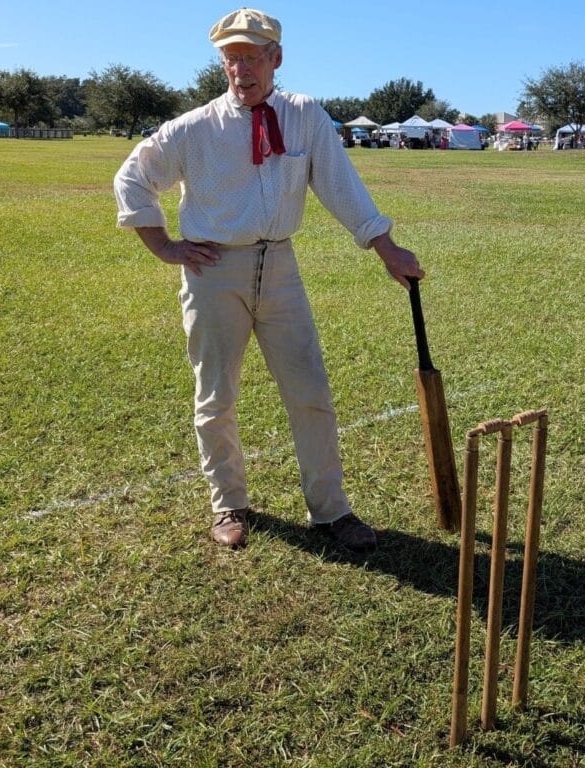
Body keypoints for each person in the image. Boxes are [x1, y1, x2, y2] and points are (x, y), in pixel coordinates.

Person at [114, 8, 423, 552]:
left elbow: (340, 186)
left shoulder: (304, 116)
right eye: (231, 58)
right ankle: (227, 504)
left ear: (275, 58)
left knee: (311, 392)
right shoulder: (192, 128)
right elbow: (132, 178)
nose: (241, 69)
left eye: (251, 57)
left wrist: (385, 246)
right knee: (215, 396)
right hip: (213, 273)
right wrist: (163, 245)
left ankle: (331, 511)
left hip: (280, 267)